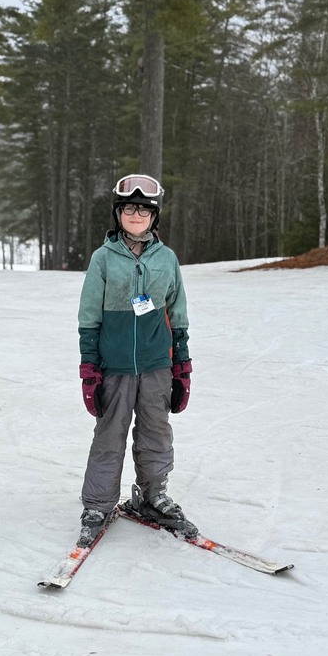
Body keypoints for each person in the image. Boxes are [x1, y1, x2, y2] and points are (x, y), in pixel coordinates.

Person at [77, 173, 195, 542]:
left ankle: (152, 494)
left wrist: (183, 365)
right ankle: (98, 502)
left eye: (144, 210)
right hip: (114, 367)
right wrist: (89, 367)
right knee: (109, 436)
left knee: (156, 433)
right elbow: (88, 316)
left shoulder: (167, 259)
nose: (136, 215)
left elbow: (178, 312)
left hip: (158, 364)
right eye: (129, 208)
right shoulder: (103, 259)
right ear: (118, 213)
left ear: (154, 217)